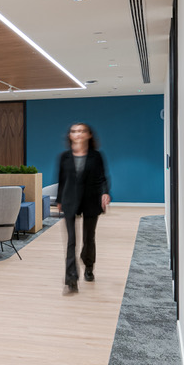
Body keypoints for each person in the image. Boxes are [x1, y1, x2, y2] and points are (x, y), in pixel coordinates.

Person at [55, 122, 110, 292]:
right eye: (74, 131)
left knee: (88, 238)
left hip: (91, 200)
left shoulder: (96, 156)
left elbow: (102, 177)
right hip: (70, 200)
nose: (78, 134)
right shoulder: (64, 157)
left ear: (88, 135)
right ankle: (71, 280)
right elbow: (62, 180)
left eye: (81, 131)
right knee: (71, 240)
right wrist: (59, 200)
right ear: (70, 135)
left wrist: (105, 193)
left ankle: (88, 265)